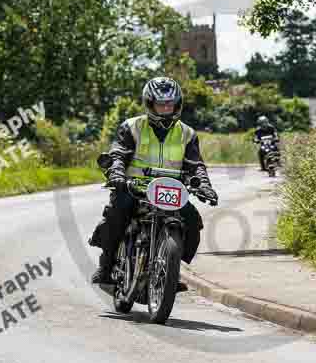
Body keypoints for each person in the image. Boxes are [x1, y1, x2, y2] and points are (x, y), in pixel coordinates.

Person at [88, 77, 219, 290]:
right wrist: (117, 173)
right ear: (150, 103)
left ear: (177, 104)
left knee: (192, 221)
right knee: (117, 213)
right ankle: (107, 264)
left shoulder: (187, 133)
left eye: (170, 104)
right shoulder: (132, 127)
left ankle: (170, 270)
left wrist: (204, 185)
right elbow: (119, 154)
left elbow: (196, 165)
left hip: (170, 189)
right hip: (134, 187)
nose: (166, 108)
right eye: (161, 103)